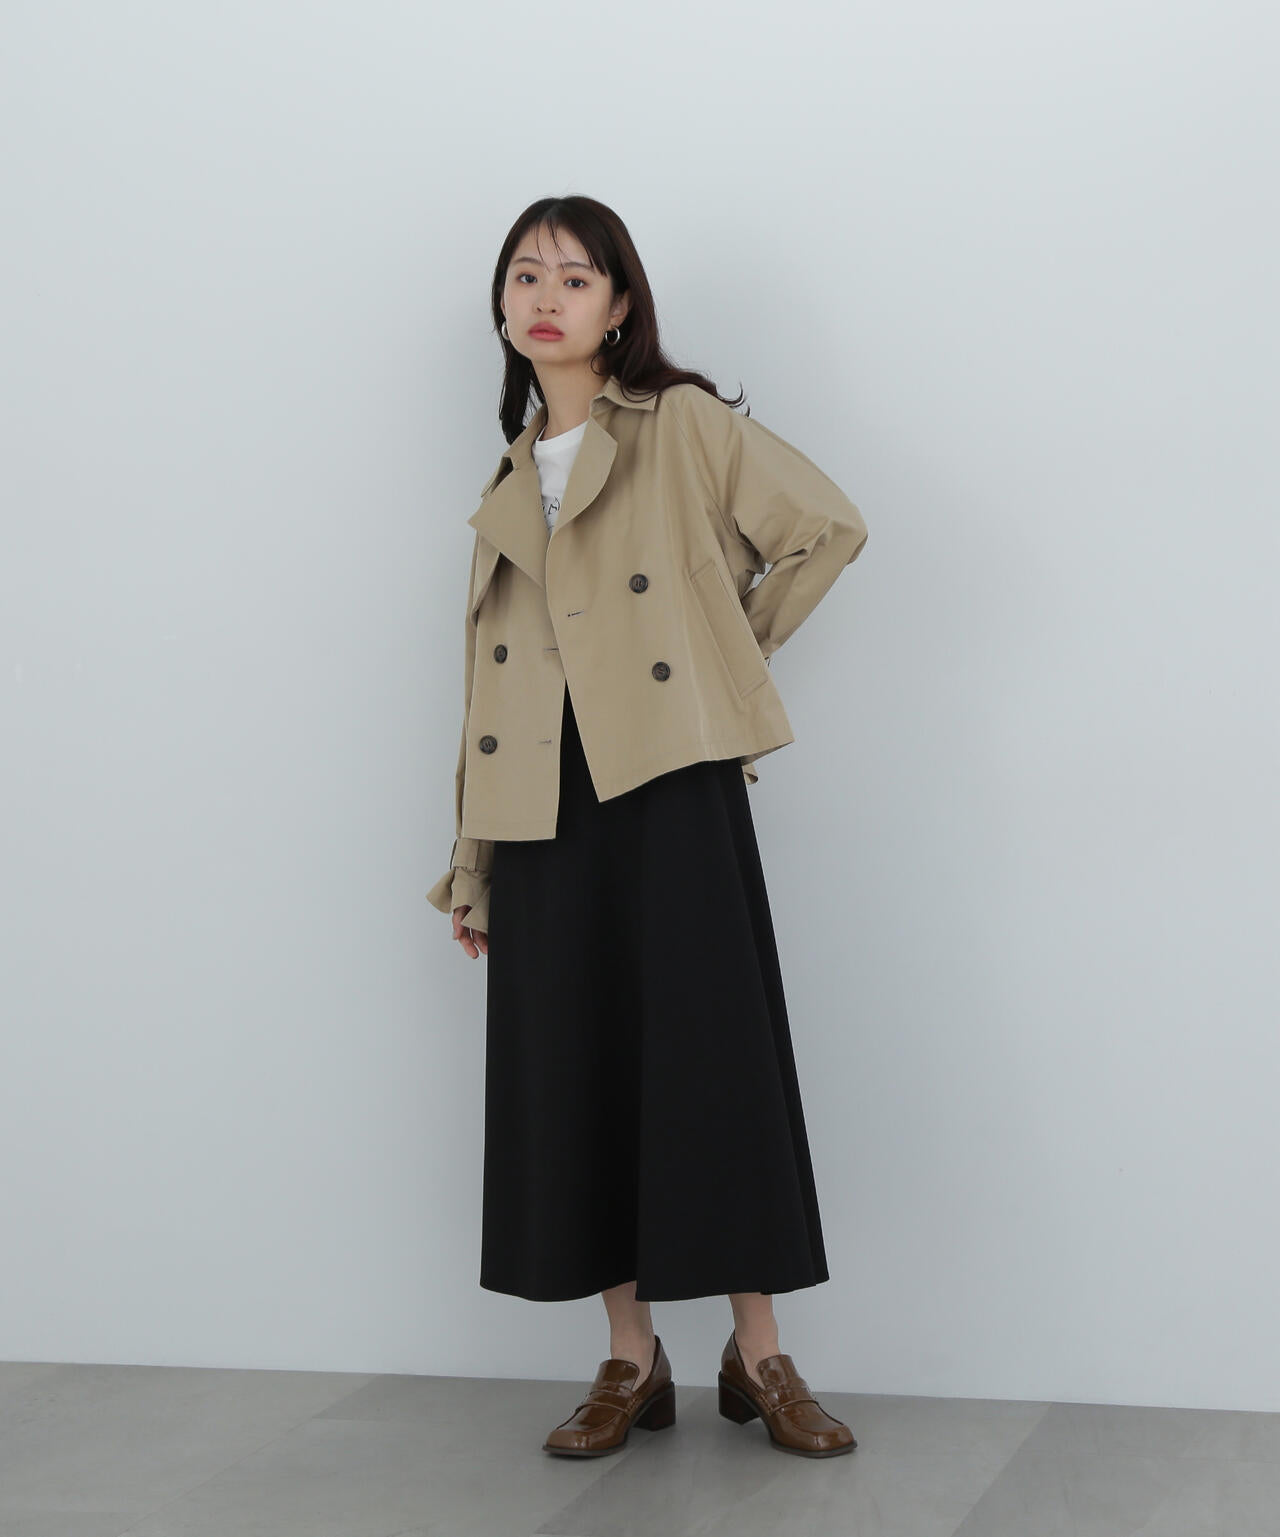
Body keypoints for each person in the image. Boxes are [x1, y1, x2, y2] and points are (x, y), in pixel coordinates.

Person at [426, 195, 868, 1459]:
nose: (544, 296)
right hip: (541, 808)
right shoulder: (506, 482)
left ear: (620, 306)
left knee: (712, 1059)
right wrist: (471, 868)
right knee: (577, 1069)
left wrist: (719, 664)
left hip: (670, 778)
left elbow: (826, 527)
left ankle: (759, 1353)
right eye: (524, 275)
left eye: (574, 276)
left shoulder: (680, 424)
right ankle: (631, 1356)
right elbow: (487, 698)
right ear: (502, 307)